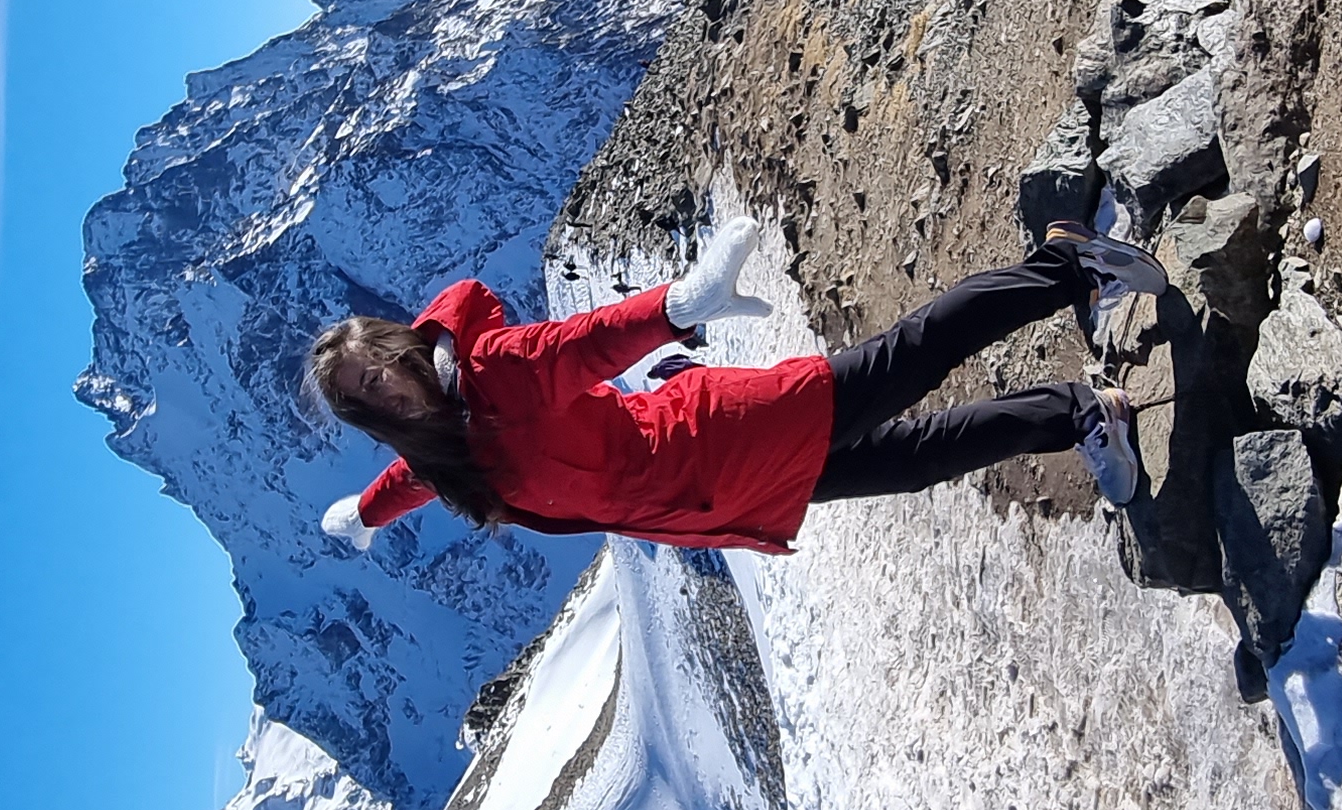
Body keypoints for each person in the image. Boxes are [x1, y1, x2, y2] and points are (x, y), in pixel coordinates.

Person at [310, 220, 1156, 557]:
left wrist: (676, 307)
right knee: (912, 459)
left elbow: (582, 346)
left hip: (725, 437)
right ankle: (1080, 414)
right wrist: (364, 512)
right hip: (717, 490)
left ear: (397, 345)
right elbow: (408, 479)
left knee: (910, 359)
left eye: (374, 364)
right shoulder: (438, 448)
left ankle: (1066, 264)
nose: (381, 387)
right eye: (362, 394)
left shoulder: (495, 372)